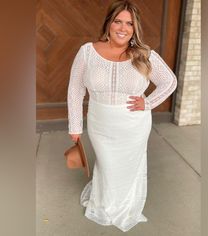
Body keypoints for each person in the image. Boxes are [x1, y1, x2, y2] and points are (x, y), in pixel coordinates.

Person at [67, 0, 177, 232]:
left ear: (135, 28)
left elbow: (169, 82)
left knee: (128, 168)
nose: (123, 28)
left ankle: (125, 205)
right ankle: (106, 203)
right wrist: (75, 126)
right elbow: (75, 89)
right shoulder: (87, 52)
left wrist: (147, 103)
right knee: (107, 166)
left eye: (129, 23)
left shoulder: (144, 54)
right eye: (118, 21)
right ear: (108, 23)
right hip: (100, 123)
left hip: (133, 125)